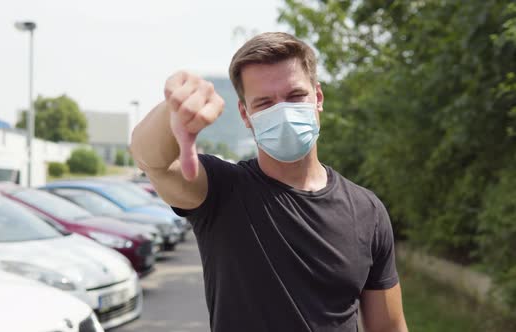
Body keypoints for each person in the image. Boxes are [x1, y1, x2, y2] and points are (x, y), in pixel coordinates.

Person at [131, 32, 408, 332]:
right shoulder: (221, 192)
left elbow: (389, 327)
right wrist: (171, 110)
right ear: (245, 114)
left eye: (295, 96)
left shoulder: (368, 211)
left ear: (318, 98)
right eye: (265, 103)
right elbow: (152, 161)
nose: (284, 111)